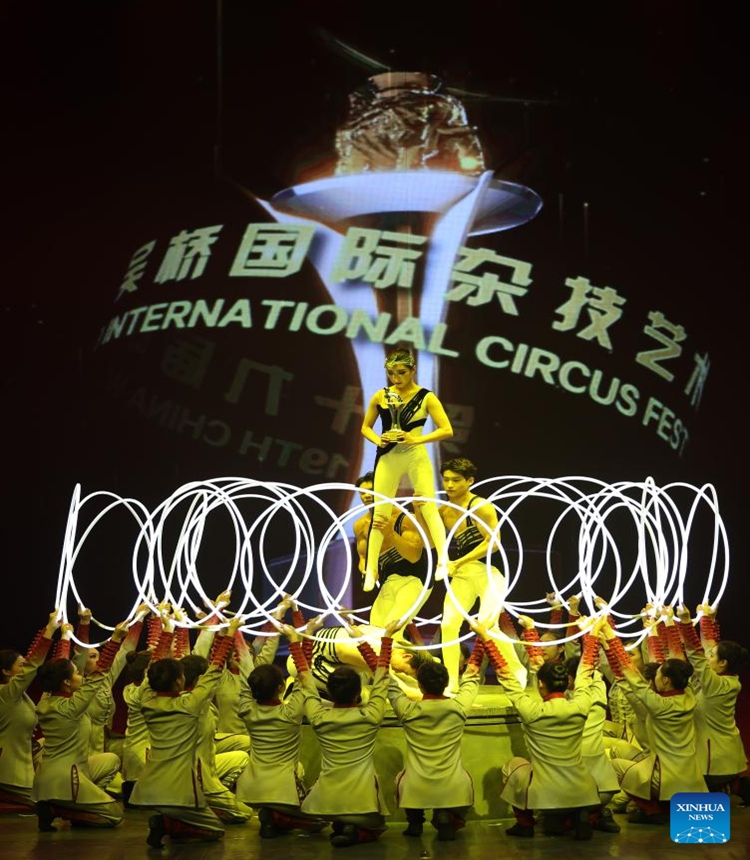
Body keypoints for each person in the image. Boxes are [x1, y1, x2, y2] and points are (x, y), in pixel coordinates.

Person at [476, 616, 601, 840]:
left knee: (514, 765)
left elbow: (506, 677)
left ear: (541, 684)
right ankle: (578, 815)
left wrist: (485, 638)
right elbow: (585, 672)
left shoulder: (532, 711)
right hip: (582, 791)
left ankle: (525, 824)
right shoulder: (581, 706)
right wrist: (592, 634)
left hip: (545, 794)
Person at [129, 614, 240, 848]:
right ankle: (167, 824)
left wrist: (167, 632)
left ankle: (169, 820)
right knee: (215, 830)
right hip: (178, 789)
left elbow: (153, 670)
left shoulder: (147, 702)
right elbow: (214, 670)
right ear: (180, 682)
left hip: (150, 787)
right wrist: (229, 634)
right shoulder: (189, 706)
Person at [360, 347, 453, 592]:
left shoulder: (426, 397)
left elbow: (446, 429)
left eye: (401, 372)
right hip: (388, 456)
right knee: (380, 513)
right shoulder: (381, 396)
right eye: (391, 373)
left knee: (427, 505)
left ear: (413, 370)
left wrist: (416, 440)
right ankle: (371, 570)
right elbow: (365, 427)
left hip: (414, 454)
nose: (396, 378)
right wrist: (378, 440)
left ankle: (443, 559)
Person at [599, 616, 707, 825]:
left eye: (658, 673)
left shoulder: (659, 705)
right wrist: (657, 630)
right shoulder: (688, 695)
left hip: (666, 775)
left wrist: (610, 637)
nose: (655, 674)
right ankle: (668, 808)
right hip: (690, 775)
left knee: (615, 766)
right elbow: (671, 661)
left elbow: (631, 676)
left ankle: (653, 810)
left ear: (665, 680)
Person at [301, 620, 400, 847]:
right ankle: (353, 829)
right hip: (361, 799)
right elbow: (382, 674)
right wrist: (385, 638)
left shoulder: (318, 716)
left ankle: (342, 822)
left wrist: (306, 635)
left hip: (324, 799)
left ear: (329, 691)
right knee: (379, 824)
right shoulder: (371, 715)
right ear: (359, 692)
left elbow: (304, 678)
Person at [32, 619, 132, 830]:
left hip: (57, 773)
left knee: (111, 760)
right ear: (67, 682)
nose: (81, 674)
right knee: (115, 816)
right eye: (77, 673)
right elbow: (99, 673)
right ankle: (60, 809)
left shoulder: (46, 702)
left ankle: (74, 803)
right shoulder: (72, 706)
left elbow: (58, 667)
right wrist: (115, 639)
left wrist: (66, 637)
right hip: (67, 777)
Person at [236, 625, 326, 838]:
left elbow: (245, 672)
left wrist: (234, 632)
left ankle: (272, 818)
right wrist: (302, 637)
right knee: (321, 821)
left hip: (252, 789)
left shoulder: (247, 709)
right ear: (280, 688)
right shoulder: (290, 712)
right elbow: (305, 676)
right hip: (283, 791)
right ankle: (277, 818)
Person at [387, 643, 482, 840]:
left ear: (420, 685)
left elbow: (385, 680)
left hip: (415, 786)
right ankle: (448, 816)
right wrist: (482, 639)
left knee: (402, 778)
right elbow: (472, 675)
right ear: (447, 684)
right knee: (463, 779)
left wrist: (383, 641)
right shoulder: (459, 707)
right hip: (453, 786)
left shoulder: (408, 710)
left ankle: (415, 822)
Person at [437, 458, 506, 692]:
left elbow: (494, 542)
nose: (449, 485)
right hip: (462, 574)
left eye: (456, 480)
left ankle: (514, 671)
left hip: (490, 572)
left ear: (470, 481)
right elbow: (424, 540)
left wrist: (458, 561)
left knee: (487, 625)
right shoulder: (444, 511)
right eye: (446, 480)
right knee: (448, 624)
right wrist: (418, 510)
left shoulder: (481, 506)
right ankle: (451, 682)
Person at [676, 604, 749, 798]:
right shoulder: (726, 679)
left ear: (723, 663)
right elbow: (707, 650)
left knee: (706, 816)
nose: (709, 658)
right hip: (720, 755)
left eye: (713, 657)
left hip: (716, 760)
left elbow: (698, 658)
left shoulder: (718, 685)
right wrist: (707, 620)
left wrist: (685, 622)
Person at [353, 471, 433, 633]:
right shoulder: (360, 525)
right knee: (374, 630)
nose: (366, 497)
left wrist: (390, 534)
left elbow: (413, 556)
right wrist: (367, 571)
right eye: (362, 493)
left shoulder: (406, 519)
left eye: (371, 491)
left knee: (392, 631)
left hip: (415, 580)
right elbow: (363, 557)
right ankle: (419, 658)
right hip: (388, 582)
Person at [0, 611, 59, 808]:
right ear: (6, 671)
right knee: (47, 801)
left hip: (22, 764)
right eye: (20, 666)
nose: (24, 668)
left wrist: (64, 641)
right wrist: (50, 630)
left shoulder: (18, 695)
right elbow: (33, 664)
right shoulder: (5, 693)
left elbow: (32, 662)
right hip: (9, 771)